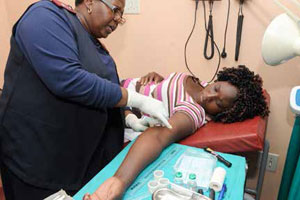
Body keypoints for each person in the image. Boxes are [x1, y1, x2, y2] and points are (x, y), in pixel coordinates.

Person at [0, 0, 171, 199]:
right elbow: (69, 80)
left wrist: (130, 118)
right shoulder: (44, 16)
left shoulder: (91, 42)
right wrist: (138, 99)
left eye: (121, 16)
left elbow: (104, 90)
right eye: (115, 10)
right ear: (89, 2)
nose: (117, 20)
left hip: (77, 166)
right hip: (38, 165)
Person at [83, 65, 270, 200]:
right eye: (216, 88)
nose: (209, 96)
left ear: (224, 112)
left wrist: (119, 181)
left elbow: (158, 136)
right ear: (219, 80)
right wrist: (157, 79)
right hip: (116, 84)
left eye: (218, 103)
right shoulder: (200, 83)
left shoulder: (193, 112)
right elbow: (169, 91)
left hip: (114, 105)